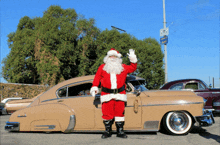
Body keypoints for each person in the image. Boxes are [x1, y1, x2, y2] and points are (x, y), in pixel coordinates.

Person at [90, 48, 137, 139]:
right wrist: (95, 87)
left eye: (115, 56)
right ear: (107, 57)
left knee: (119, 113)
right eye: (111, 56)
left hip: (120, 93)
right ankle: (108, 131)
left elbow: (133, 68)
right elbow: (97, 77)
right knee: (107, 113)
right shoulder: (102, 67)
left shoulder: (123, 67)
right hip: (106, 94)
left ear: (118, 58)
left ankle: (120, 131)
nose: (112, 58)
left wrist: (132, 58)